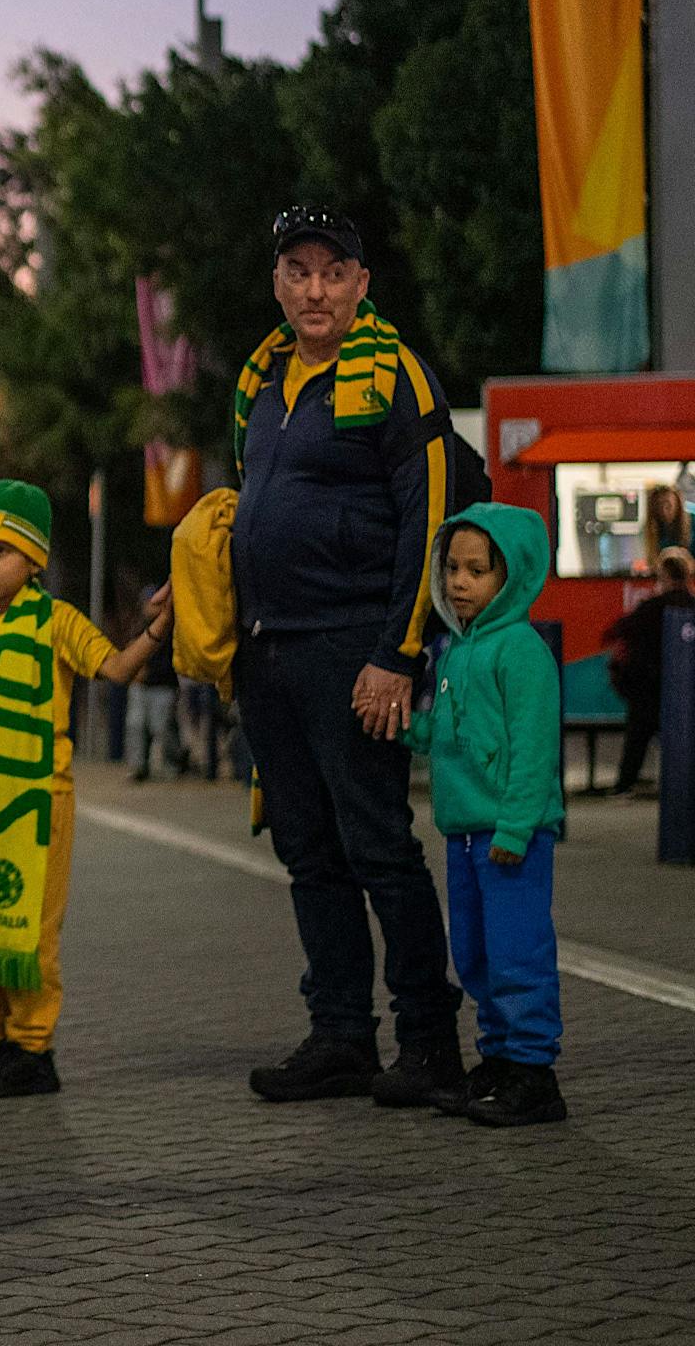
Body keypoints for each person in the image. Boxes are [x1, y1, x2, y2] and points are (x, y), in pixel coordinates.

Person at [231, 206, 464, 1108]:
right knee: (308, 851)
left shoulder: (396, 375)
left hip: (355, 652)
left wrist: (399, 654)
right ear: (278, 281)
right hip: (271, 652)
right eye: (298, 270)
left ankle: (430, 1044)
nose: (315, 289)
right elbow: (247, 502)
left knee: (380, 850)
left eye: (334, 272)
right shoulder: (262, 381)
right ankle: (339, 1036)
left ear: (362, 285)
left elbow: (432, 518)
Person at [0, 480, 172, 1099]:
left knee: (29, 930)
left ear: (33, 560)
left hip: (35, 805)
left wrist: (160, 628)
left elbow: (119, 669)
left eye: (1, 550)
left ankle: (33, 1050)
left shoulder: (57, 621)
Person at [395, 506, 567, 1126]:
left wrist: (518, 827)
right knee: (475, 951)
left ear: (512, 576)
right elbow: (449, 733)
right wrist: (410, 732)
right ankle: (497, 1061)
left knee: (518, 950)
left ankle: (533, 1074)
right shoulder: (454, 651)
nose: (460, 581)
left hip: (508, 833)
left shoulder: (520, 651)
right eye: (452, 568)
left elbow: (533, 748)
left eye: (477, 569)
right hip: (466, 830)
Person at [604, 546, 695, 795]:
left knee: (638, 736)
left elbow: (615, 633)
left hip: (648, 690)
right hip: (686, 692)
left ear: (664, 576)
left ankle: (625, 784)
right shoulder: (691, 607)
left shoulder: (650, 608)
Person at [124, 589, 183, 782]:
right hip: (141, 686)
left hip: (162, 685)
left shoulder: (169, 627)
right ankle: (139, 767)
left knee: (161, 728)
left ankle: (173, 763)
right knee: (136, 726)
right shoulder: (139, 625)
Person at [640, 484, 691, 573]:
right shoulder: (655, 529)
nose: (663, 510)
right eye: (659, 506)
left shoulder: (692, 523)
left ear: (677, 504)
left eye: (668, 505)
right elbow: (653, 562)